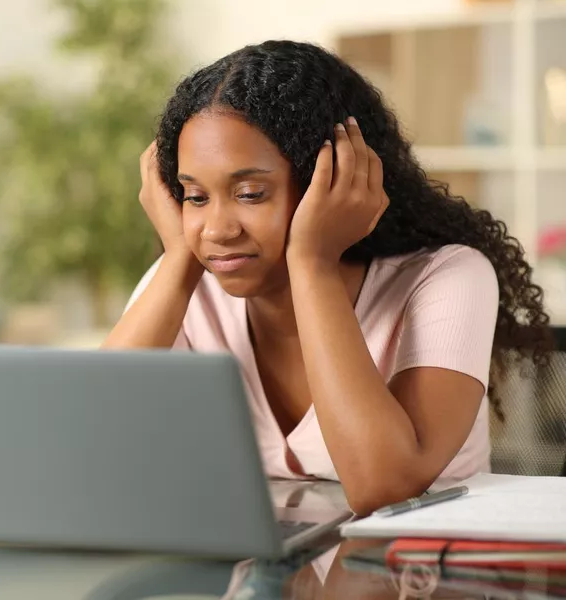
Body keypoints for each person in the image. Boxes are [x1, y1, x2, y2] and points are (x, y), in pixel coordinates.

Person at [102, 40, 552, 515]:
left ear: (338, 177)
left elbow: (383, 487)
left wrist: (312, 264)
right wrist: (177, 263)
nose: (217, 229)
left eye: (251, 193)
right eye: (195, 196)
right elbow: (86, 448)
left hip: (423, 576)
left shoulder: (447, 277)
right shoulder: (187, 281)